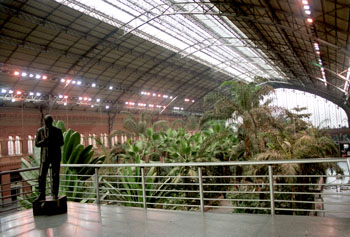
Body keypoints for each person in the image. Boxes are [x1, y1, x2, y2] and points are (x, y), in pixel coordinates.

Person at [35, 115, 64, 200]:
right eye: (47, 122)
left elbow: (62, 142)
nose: (48, 123)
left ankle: (55, 194)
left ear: (52, 121)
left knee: (55, 175)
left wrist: (53, 141)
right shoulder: (39, 131)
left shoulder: (58, 131)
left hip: (55, 156)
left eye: (50, 122)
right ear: (44, 122)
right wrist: (45, 141)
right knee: (41, 175)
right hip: (45, 157)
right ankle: (41, 194)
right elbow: (37, 144)